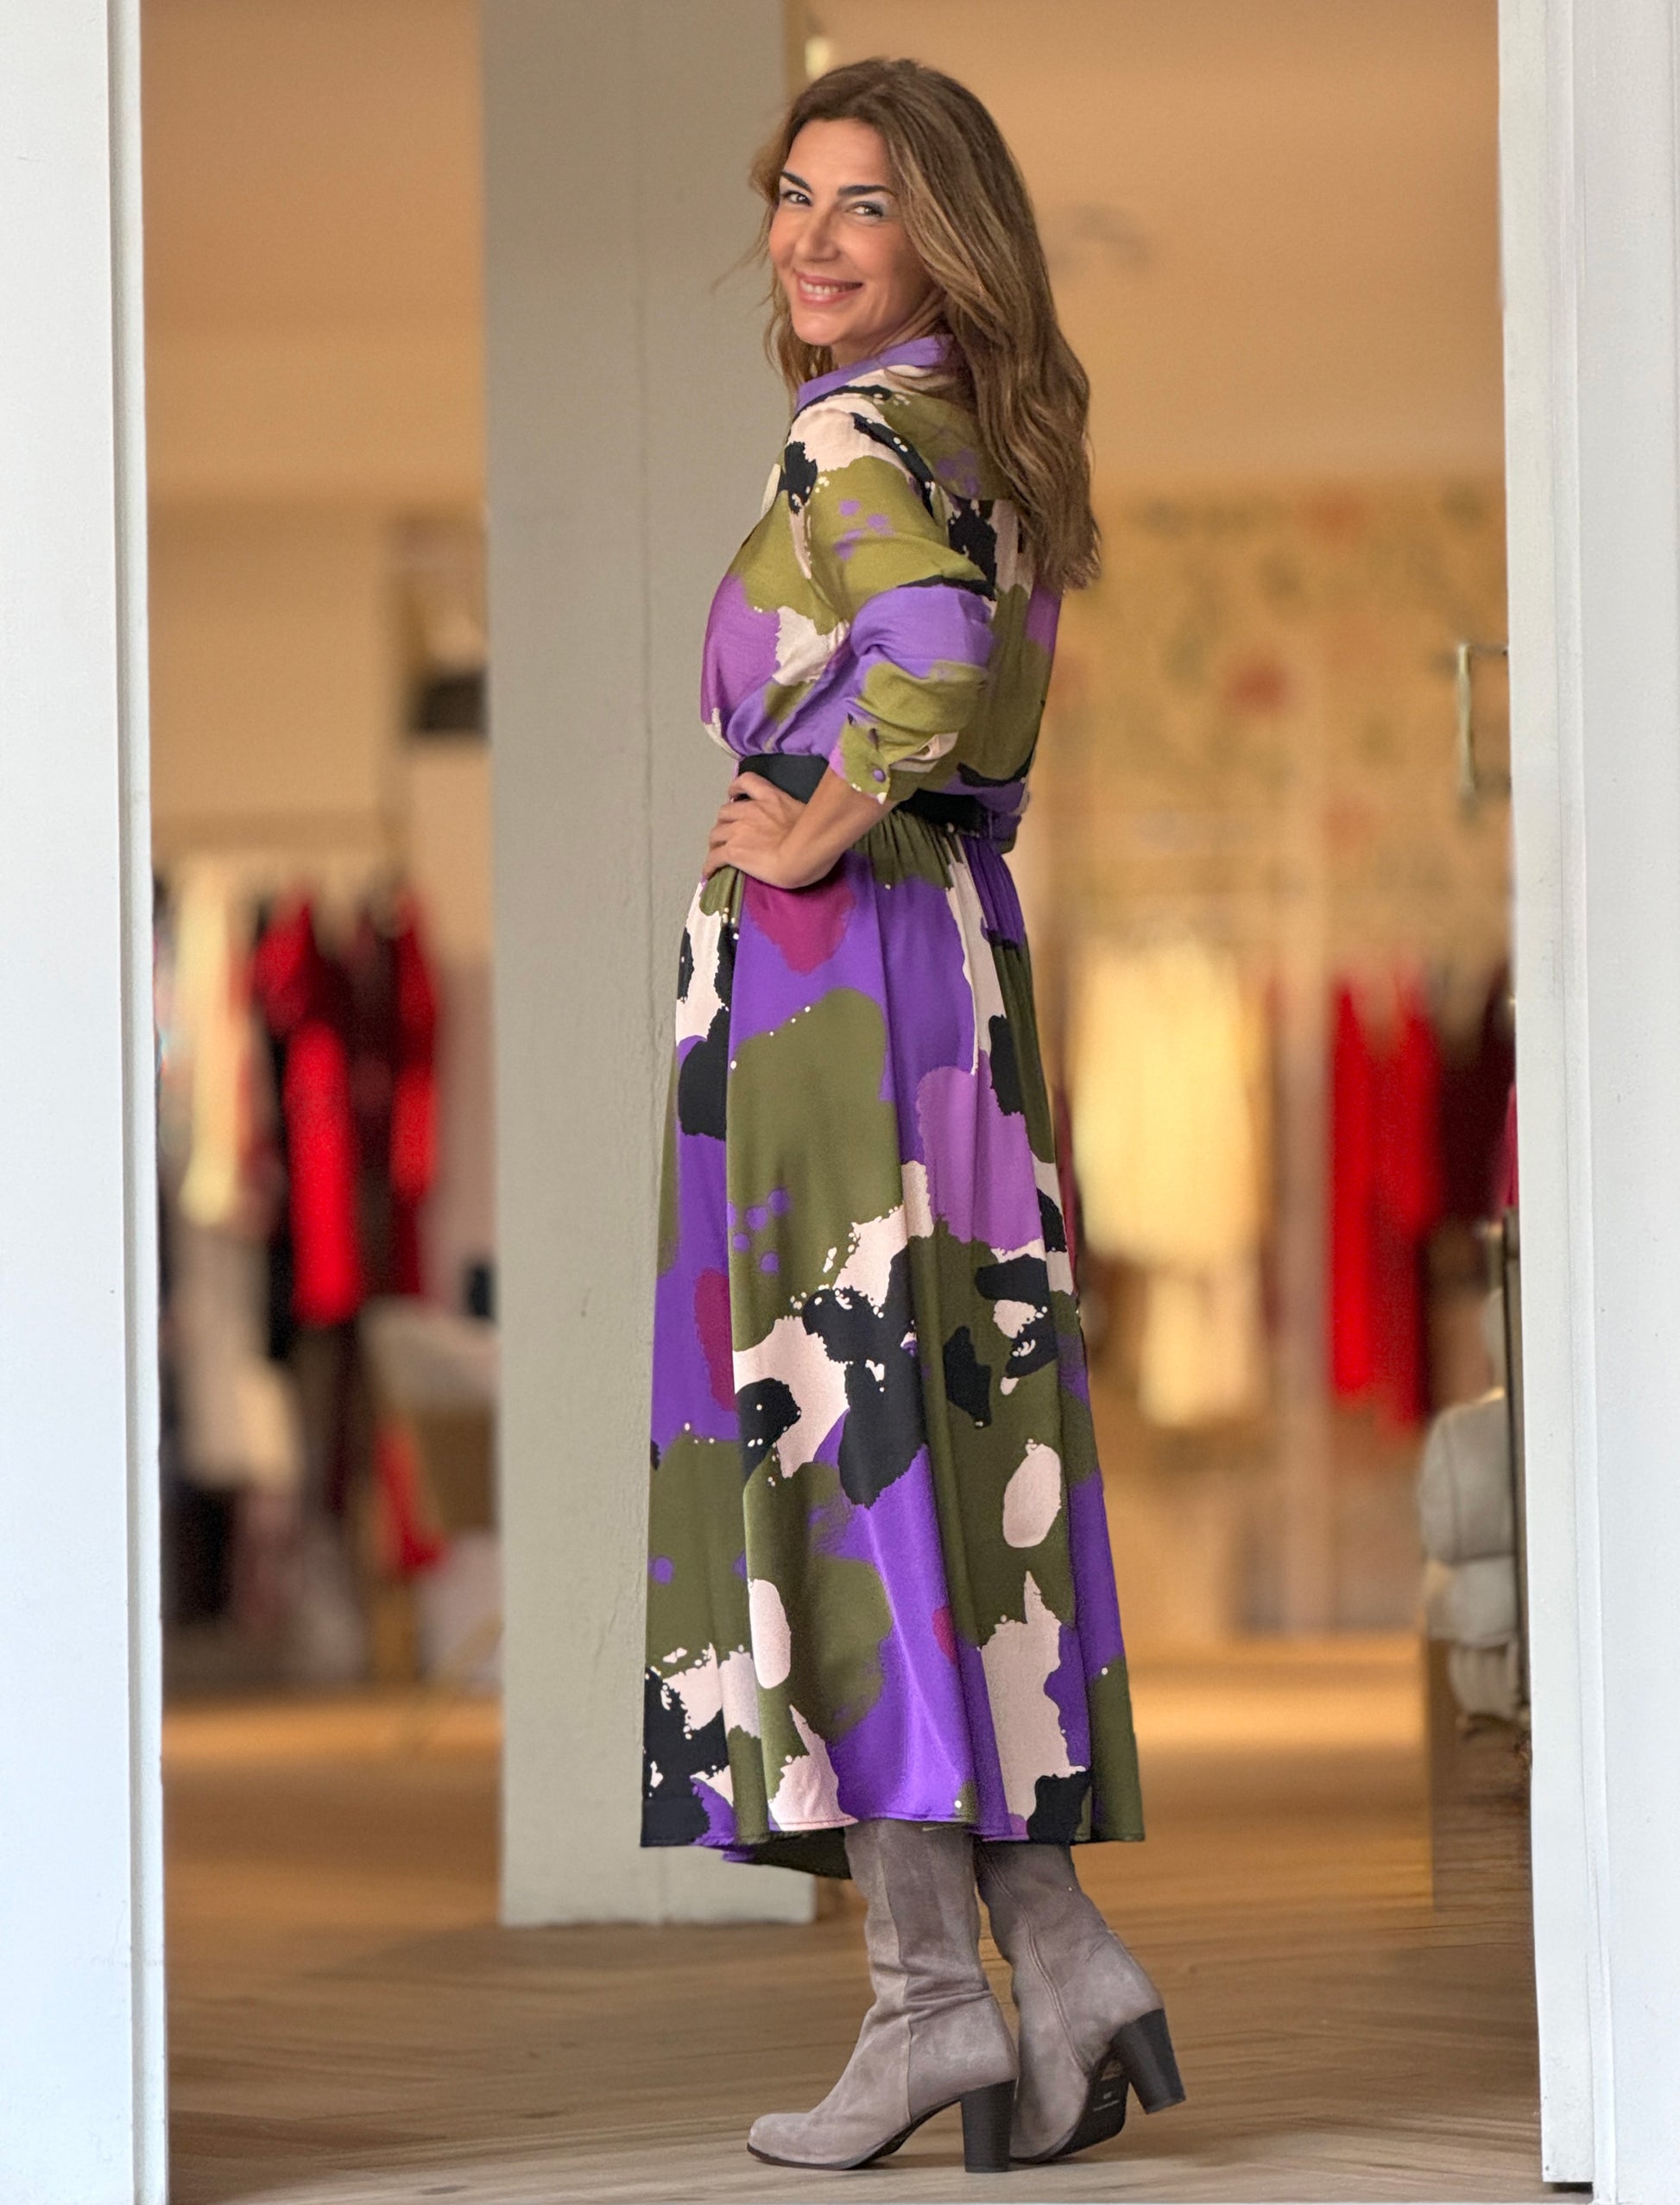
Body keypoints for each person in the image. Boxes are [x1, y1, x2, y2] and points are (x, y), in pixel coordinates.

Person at [640, 55, 1184, 2173]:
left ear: (942, 234)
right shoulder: (992, 441)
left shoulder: (850, 431)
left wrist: (807, 826)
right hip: (951, 971)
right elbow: (974, 682)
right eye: (794, 195)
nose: (808, 238)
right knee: (931, 1464)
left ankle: (927, 2002)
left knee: (837, 1447)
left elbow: (932, 658)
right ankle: (1048, 1962)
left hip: (832, 979)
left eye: (861, 204)